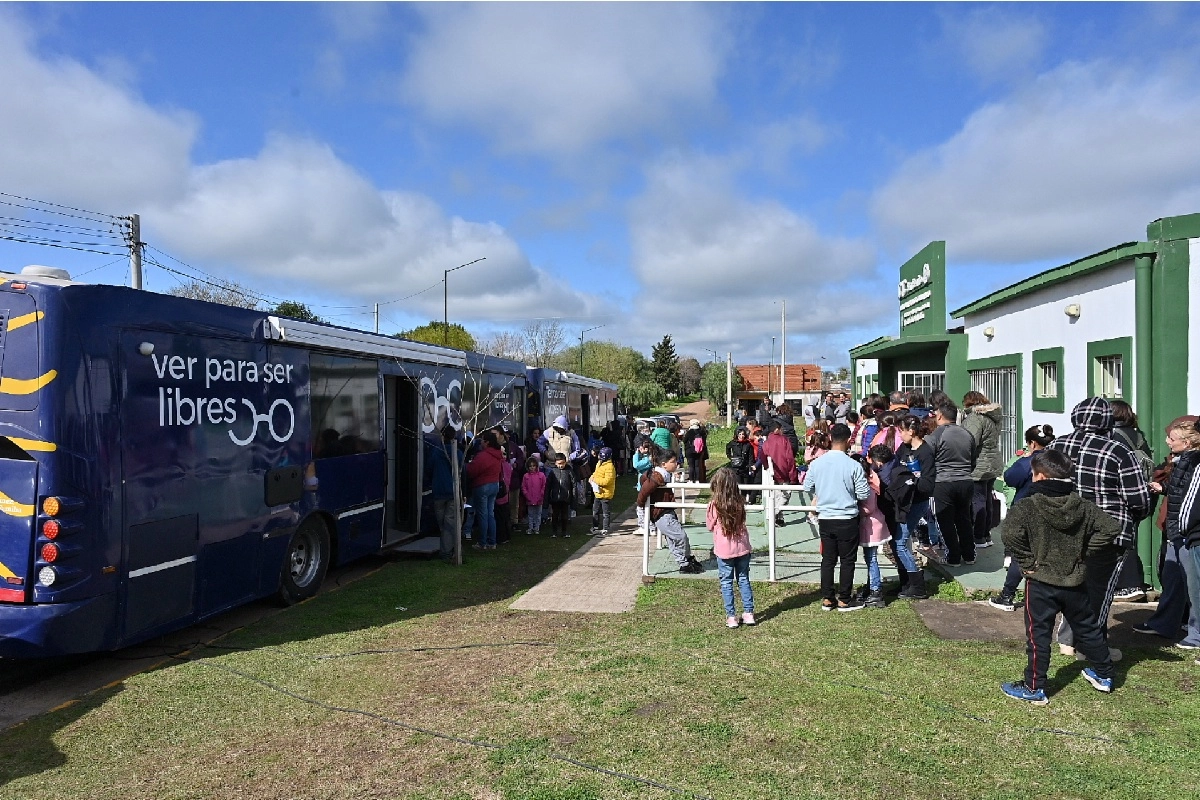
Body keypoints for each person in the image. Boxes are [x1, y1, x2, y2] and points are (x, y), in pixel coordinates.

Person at [999, 449, 1119, 704]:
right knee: (1088, 629)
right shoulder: (1082, 505)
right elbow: (1111, 528)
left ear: (1040, 477)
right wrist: (1085, 552)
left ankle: (1034, 688)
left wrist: (1027, 562)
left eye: (1033, 474)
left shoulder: (1027, 505)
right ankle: (1104, 674)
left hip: (1040, 582)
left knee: (1038, 636)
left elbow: (1009, 534)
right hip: (1074, 580)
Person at [1048, 397, 1152, 657]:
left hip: (1064, 528)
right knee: (1099, 591)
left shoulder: (1055, 446)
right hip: (1107, 531)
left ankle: (1068, 640)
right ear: (1107, 421)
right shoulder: (1118, 451)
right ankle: (1090, 647)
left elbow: (1039, 485)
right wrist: (1133, 518)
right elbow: (1138, 499)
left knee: (1073, 585)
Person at [1136, 419, 1200, 649]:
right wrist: (1164, 488)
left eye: (1172, 439)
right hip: (1177, 530)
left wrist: (1183, 528)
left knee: (1194, 584)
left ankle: (1195, 633)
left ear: (1187, 442)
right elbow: (1183, 491)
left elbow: (1190, 500)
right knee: (1173, 578)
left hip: (1185, 532)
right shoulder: (1183, 460)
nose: (1167, 442)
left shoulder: (1193, 462)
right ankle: (1165, 623)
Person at [801, 422, 871, 611]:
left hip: (825, 517)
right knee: (847, 560)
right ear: (848, 441)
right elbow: (863, 493)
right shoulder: (853, 465)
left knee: (828, 559)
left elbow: (807, 487)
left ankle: (827, 598)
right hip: (847, 518)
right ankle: (844, 599)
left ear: (830, 438)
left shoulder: (817, 463)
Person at [989, 425, 1055, 611]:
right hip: (1053, 512)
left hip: (1027, 512)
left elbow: (1010, 478)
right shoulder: (1059, 461)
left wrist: (1024, 459)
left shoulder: (1029, 463)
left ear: (1032, 443)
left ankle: (1007, 596)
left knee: (1021, 555)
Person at [1109, 400, 1156, 600]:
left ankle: (1128, 585)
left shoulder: (1113, 436)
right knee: (1130, 536)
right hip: (1142, 492)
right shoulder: (1138, 436)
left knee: (1117, 540)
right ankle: (1133, 581)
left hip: (1120, 493)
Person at [874, 438, 928, 599]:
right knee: (895, 543)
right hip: (913, 505)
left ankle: (918, 586)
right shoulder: (895, 462)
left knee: (900, 544)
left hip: (911, 507)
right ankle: (906, 583)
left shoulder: (885, 476)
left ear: (878, 462)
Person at [926, 400, 978, 565]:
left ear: (940, 415)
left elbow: (928, 458)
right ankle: (969, 555)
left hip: (943, 482)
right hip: (966, 481)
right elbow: (973, 460)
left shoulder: (936, 435)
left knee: (945, 520)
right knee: (964, 519)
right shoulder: (967, 434)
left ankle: (953, 557)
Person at [637, 449, 704, 574]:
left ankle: (684, 563)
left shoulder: (663, 474)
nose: (676, 464)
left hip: (666, 510)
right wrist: (641, 506)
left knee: (673, 539)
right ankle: (686, 560)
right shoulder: (658, 476)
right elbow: (644, 491)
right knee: (680, 536)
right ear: (664, 464)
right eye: (673, 461)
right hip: (661, 513)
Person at [707, 467, 756, 628]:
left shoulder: (715, 505)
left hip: (724, 550)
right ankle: (749, 613)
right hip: (742, 547)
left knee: (726, 582)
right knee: (743, 579)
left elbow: (709, 525)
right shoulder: (740, 502)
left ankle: (731, 616)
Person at [895, 414, 941, 566]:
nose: (900, 435)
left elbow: (927, 484)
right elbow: (895, 467)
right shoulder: (904, 448)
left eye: (902, 431)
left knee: (900, 543)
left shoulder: (925, 452)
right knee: (900, 540)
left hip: (917, 502)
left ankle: (914, 576)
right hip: (903, 500)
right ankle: (907, 575)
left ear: (911, 431)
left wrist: (910, 482)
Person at [960, 391, 1004, 550]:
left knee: (978, 500)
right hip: (992, 462)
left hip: (979, 463)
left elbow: (970, 442)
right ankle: (986, 534)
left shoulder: (975, 418)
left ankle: (978, 536)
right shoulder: (993, 417)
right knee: (987, 499)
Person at [857, 450, 893, 609]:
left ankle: (876, 590)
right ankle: (871, 585)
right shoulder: (871, 480)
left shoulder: (868, 486)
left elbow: (869, 508)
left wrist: (855, 510)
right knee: (869, 558)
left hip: (871, 526)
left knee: (871, 559)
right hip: (871, 525)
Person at [425, 425, 464, 562]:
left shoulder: (436, 452)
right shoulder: (458, 453)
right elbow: (462, 471)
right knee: (450, 523)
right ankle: (450, 549)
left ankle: (446, 550)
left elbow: (429, 469)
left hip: (439, 492)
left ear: (442, 436)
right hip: (453, 492)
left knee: (442, 524)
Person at [465, 430, 504, 550]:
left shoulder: (483, 455)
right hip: (494, 484)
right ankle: (492, 542)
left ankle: (482, 542)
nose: (480, 442)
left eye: (482, 440)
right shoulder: (497, 454)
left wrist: (466, 465)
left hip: (482, 486)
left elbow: (471, 470)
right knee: (490, 514)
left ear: (487, 442)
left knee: (483, 515)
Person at [761, 421, 800, 527]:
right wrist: (793, 476)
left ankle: (779, 518)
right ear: (777, 429)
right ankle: (774, 513)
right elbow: (790, 459)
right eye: (781, 429)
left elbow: (763, 455)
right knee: (785, 495)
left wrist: (767, 467)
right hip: (784, 472)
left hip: (774, 473)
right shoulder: (784, 440)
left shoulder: (767, 442)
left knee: (777, 495)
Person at [546, 453, 575, 538]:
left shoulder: (569, 471)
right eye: (559, 463)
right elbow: (548, 486)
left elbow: (573, 485)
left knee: (564, 516)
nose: (561, 465)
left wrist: (573, 497)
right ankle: (554, 532)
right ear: (555, 463)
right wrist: (547, 498)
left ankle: (564, 532)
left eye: (562, 463)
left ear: (565, 462)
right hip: (555, 498)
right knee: (555, 515)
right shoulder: (552, 472)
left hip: (565, 498)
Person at [590, 447, 616, 535]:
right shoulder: (599, 463)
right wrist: (592, 477)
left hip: (606, 494)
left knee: (606, 513)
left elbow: (607, 481)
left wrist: (595, 480)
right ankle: (595, 526)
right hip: (598, 492)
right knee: (595, 511)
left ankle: (605, 528)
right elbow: (596, 473)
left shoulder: (610, 467)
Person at [726, 427, 756, 500]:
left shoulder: (748, 444)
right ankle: (738, 499)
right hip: (736, 468)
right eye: (740, 434)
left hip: (745, 467)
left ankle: (745, 498)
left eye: (743, 434)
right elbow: (727, 447)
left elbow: (751, 457)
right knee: (738, 483)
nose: (741, 436)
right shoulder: (733, 443)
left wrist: (750, 467)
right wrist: (730, 457)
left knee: (745, 484)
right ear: (737, 435)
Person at [521, 456, 547, 535]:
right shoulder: (526, 476)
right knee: (530, 514)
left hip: (539, 498)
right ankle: (530, 527)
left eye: (534, 466)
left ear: (536, 466)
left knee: (538, 514)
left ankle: (537, 528)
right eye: (530, 466)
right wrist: (526, 495)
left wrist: (541, 494)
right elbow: (523, 487)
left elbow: (544, 486)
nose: (532, 468)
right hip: (529, 498)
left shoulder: (541, 475)